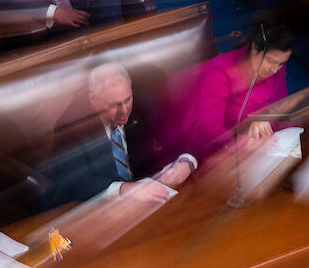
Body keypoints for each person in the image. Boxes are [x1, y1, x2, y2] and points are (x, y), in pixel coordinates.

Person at [47, 62, 197, 207]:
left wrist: (185, 163)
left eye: (127, 100)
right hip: (98, 210)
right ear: (93, 100)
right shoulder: (70, 125)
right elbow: (74, 183)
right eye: (114, 105)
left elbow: (182, 141)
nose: (124, 111)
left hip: (149, 202)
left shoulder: (145, 103)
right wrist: (125, 190)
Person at [180, 18, 293, 159]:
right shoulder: (219, 72)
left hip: (260, 147)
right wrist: (245, 143)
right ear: (254, 48)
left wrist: (270, 123)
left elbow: (281, 108)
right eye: (271, 61)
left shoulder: (275, 69)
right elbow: (209, 129)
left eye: (281, 63)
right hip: (211, 150)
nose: (275, 69)